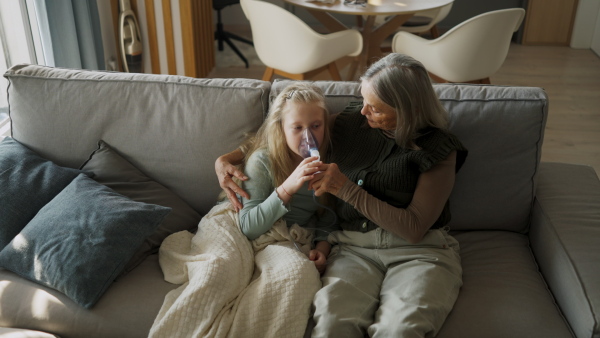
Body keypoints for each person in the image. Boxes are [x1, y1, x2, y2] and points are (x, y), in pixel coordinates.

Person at [215, 53, 468, 337]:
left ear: (407, 109)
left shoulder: (439, 149)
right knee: (332, 324)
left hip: (419, 253)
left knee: (399, 330)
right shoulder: (352, 121)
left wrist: (345, 189)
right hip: (352, 249)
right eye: (363, 101)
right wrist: (226, 159)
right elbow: (288, 132)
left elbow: (413, 228)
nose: (363, 112)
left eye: (375, 108)